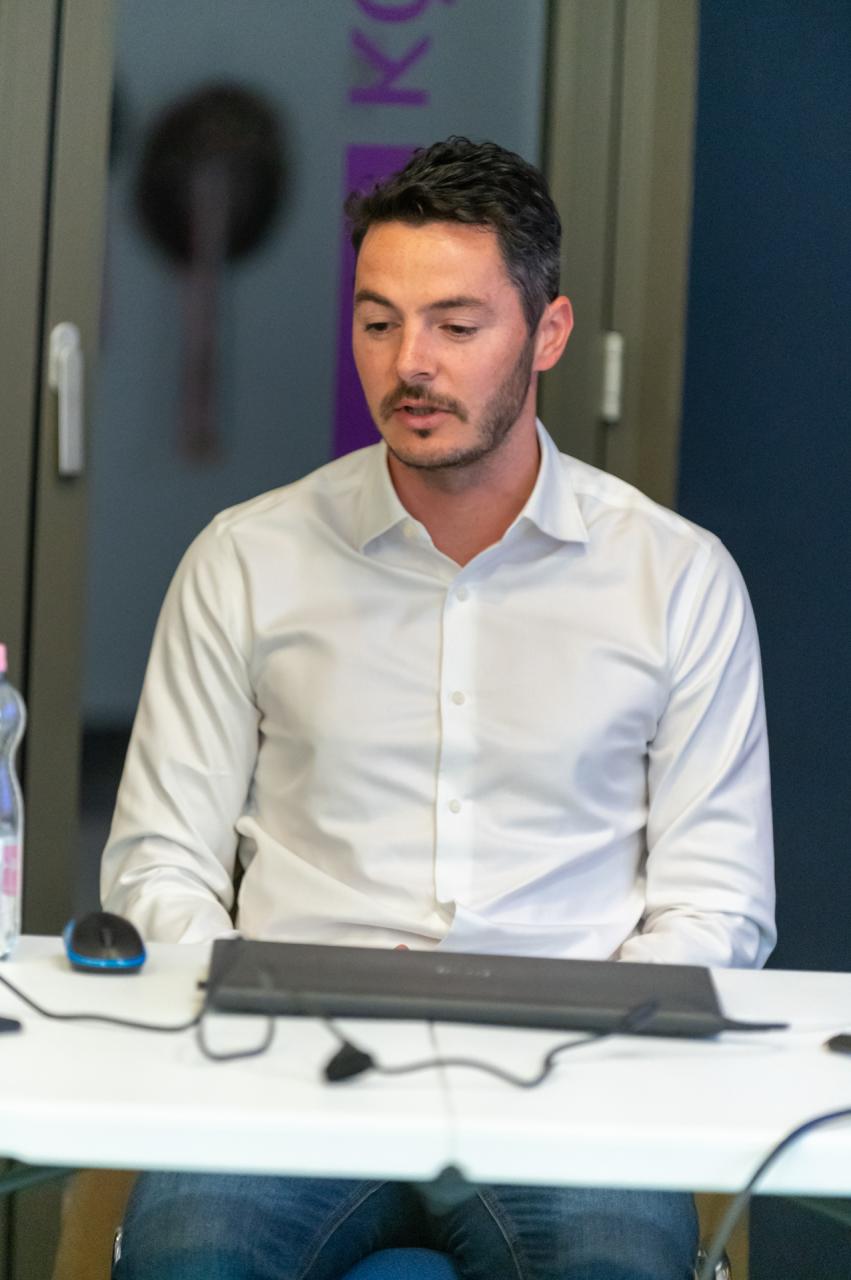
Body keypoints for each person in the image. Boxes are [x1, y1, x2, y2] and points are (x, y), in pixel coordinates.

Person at [103, 137, 775, 1279]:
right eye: (377, 322)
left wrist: (598, 1040)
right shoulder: (247, 559)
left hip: (568, 1089)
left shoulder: (674, 577)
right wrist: (249, 1014)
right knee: (188, 1255)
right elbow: (158, 862)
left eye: (456, 326)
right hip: (288, 1075)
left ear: (547, 333)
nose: (408, 363)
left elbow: (716, 903)